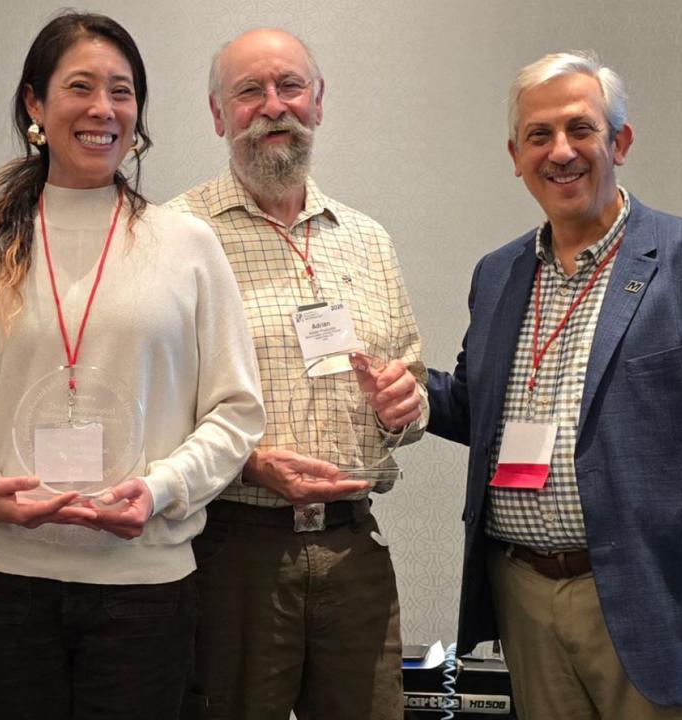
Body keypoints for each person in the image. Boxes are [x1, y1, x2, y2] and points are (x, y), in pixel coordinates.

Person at [425, 51, 682, 719]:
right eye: (539, 135)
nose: (560, 151)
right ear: (516, 157)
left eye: (581, 129)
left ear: (619, 142)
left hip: (654, 598)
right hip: (523, 595)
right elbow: (480, 411)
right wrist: (406, 391)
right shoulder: (498, 274)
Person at [0, 12, 264, 720]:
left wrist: (161, 489)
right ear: (34, 103)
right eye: (80, 87)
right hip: (6, 582)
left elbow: (236, 413)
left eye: (121, 91)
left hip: (145, 587)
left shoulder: (187, 245)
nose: (103, 109)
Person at [168, 28, 427, 720]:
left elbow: (413, 389)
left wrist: (403, 407)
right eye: (249, 91)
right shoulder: (174, 235)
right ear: (218, 114)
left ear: (318, 100)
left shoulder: (367, 240)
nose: (273, 106)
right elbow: (151, 407)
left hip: (354, 547)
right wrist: (247, 462)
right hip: (232, 550)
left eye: (289, 86)